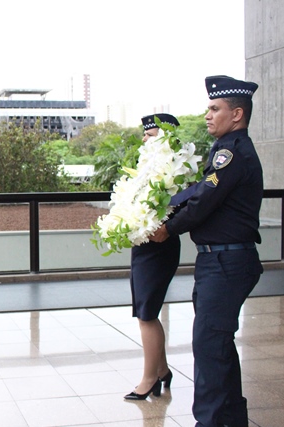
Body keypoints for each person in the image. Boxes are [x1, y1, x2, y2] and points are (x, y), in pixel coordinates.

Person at [150, 75, 262, 427]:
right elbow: (200, 189)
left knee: (209, 347)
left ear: (237, 113)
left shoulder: (232, 152)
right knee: (219, 345)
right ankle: (232, 419)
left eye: (215, 109)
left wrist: (168, 227)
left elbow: (204, 202)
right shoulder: (225, 149)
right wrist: (169, 204)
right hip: (220, 260)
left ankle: (210, 421)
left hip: (227, 261)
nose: (208, 114)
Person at [124, 113, 182, 400]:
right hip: (144, 245)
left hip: (160, 244)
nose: (144, 139)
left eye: (150, 134)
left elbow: (183, 203)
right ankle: (162, 371)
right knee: (143, 310)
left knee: (147, 313)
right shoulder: (148, 166)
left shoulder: (174, 168)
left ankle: (149, 380)